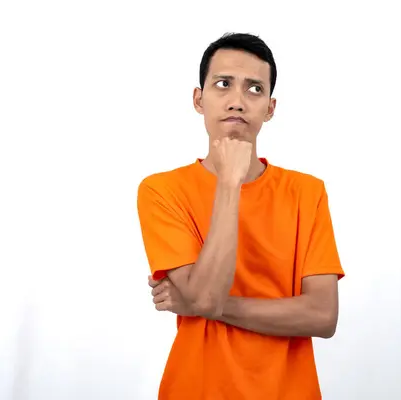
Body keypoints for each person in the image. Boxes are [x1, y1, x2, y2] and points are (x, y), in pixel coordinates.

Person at [136, 32, 345, 400]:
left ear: (270, 107)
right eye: (223, 84)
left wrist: (204, 306)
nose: (237, 101)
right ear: (199, 99)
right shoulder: (161, 191)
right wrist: (230, 184)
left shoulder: (307, 192)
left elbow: (322, 317)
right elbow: (206, 296)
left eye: (254, 89)